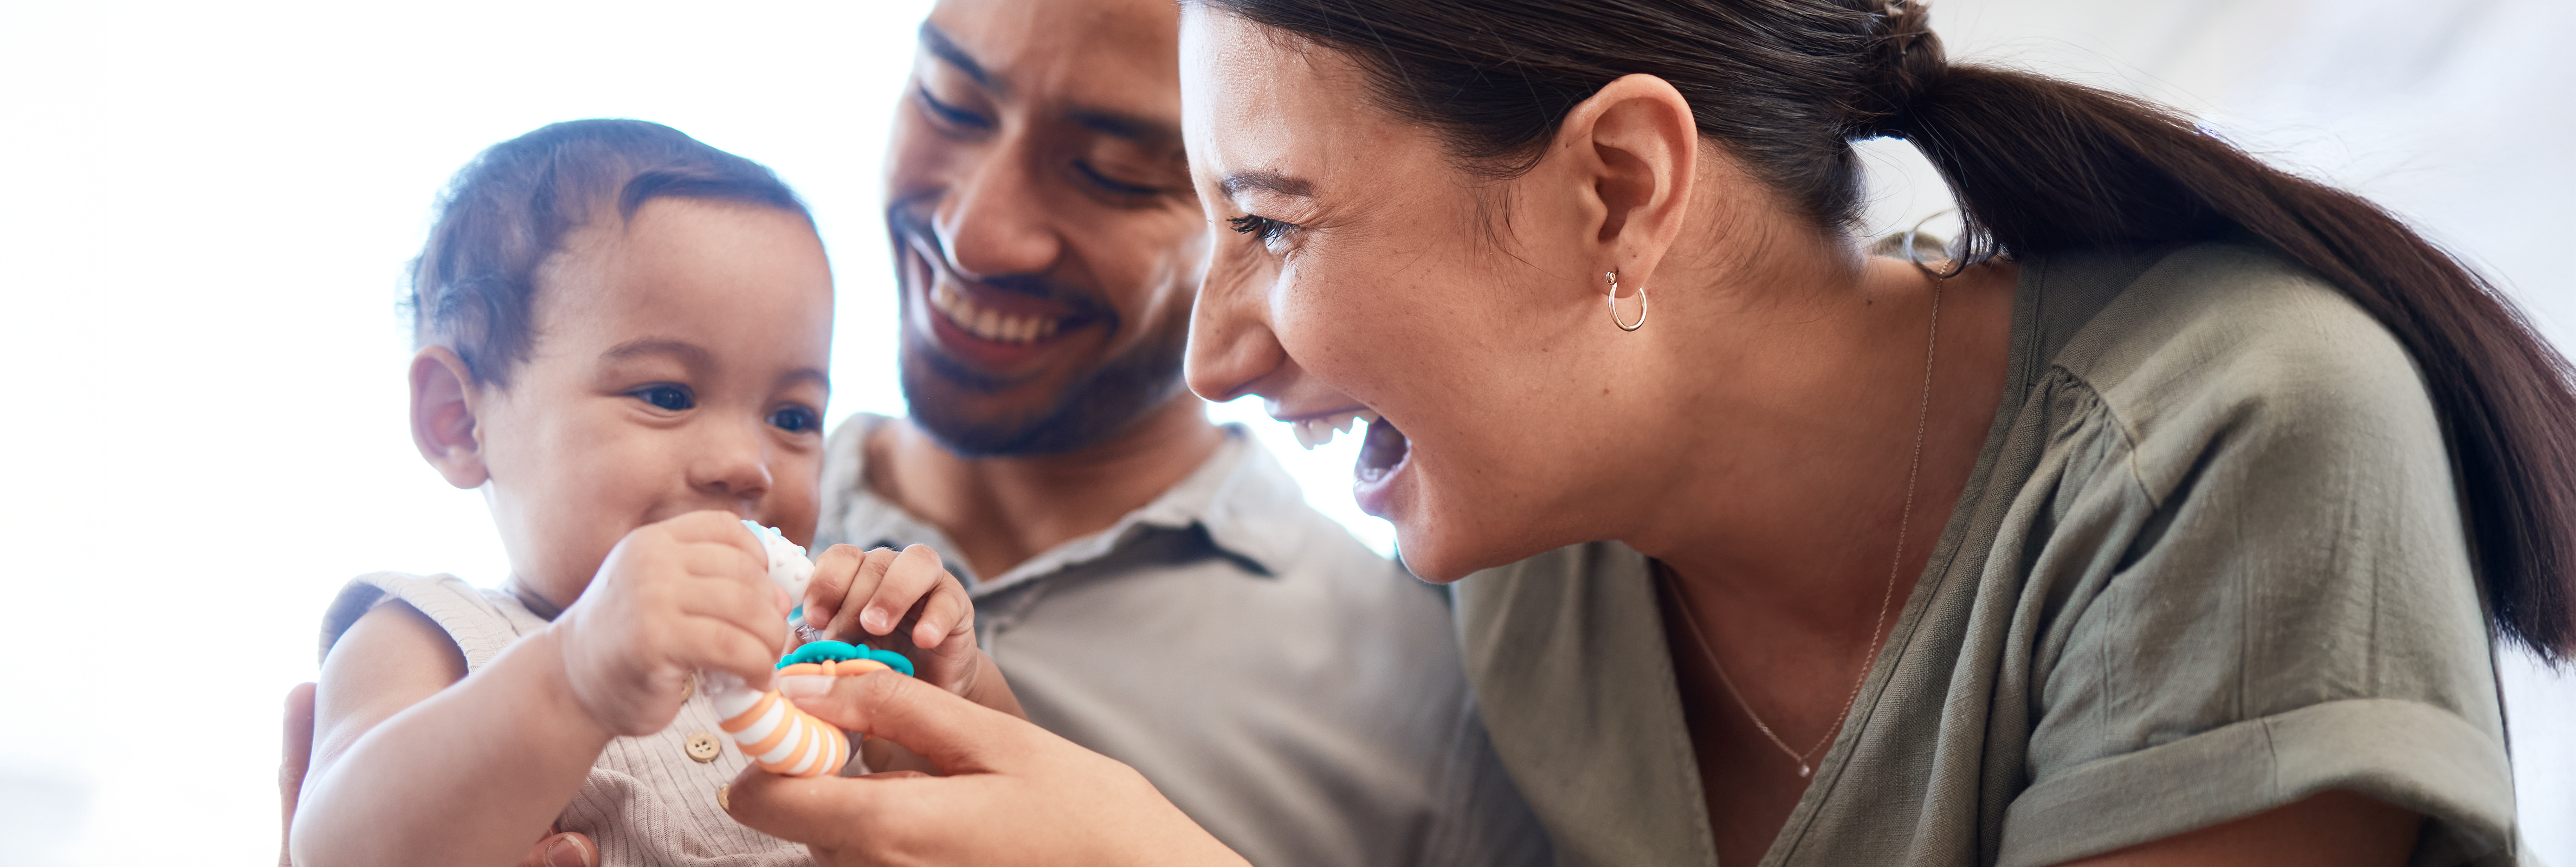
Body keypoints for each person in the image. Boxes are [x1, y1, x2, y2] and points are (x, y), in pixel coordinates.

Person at [725, 1, 2573, 866]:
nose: (1213, 355)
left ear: (1620, 186)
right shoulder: (1530, 586)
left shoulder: (2234, 454)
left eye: (1271, 225)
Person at [807, 0, 1544, 864]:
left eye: (1114, 174)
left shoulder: (1426, 698)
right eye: (950, 103)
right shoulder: (649, 519)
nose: (975, 236)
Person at [286, 119, 1021, 867]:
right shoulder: (431, 638)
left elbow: (1050, 825)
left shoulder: (820, 654)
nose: (748, 463)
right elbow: (341, 851)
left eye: (793, 416)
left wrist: (955, 693)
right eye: (667, 395)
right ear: (459, 420)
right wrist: (573, 675)